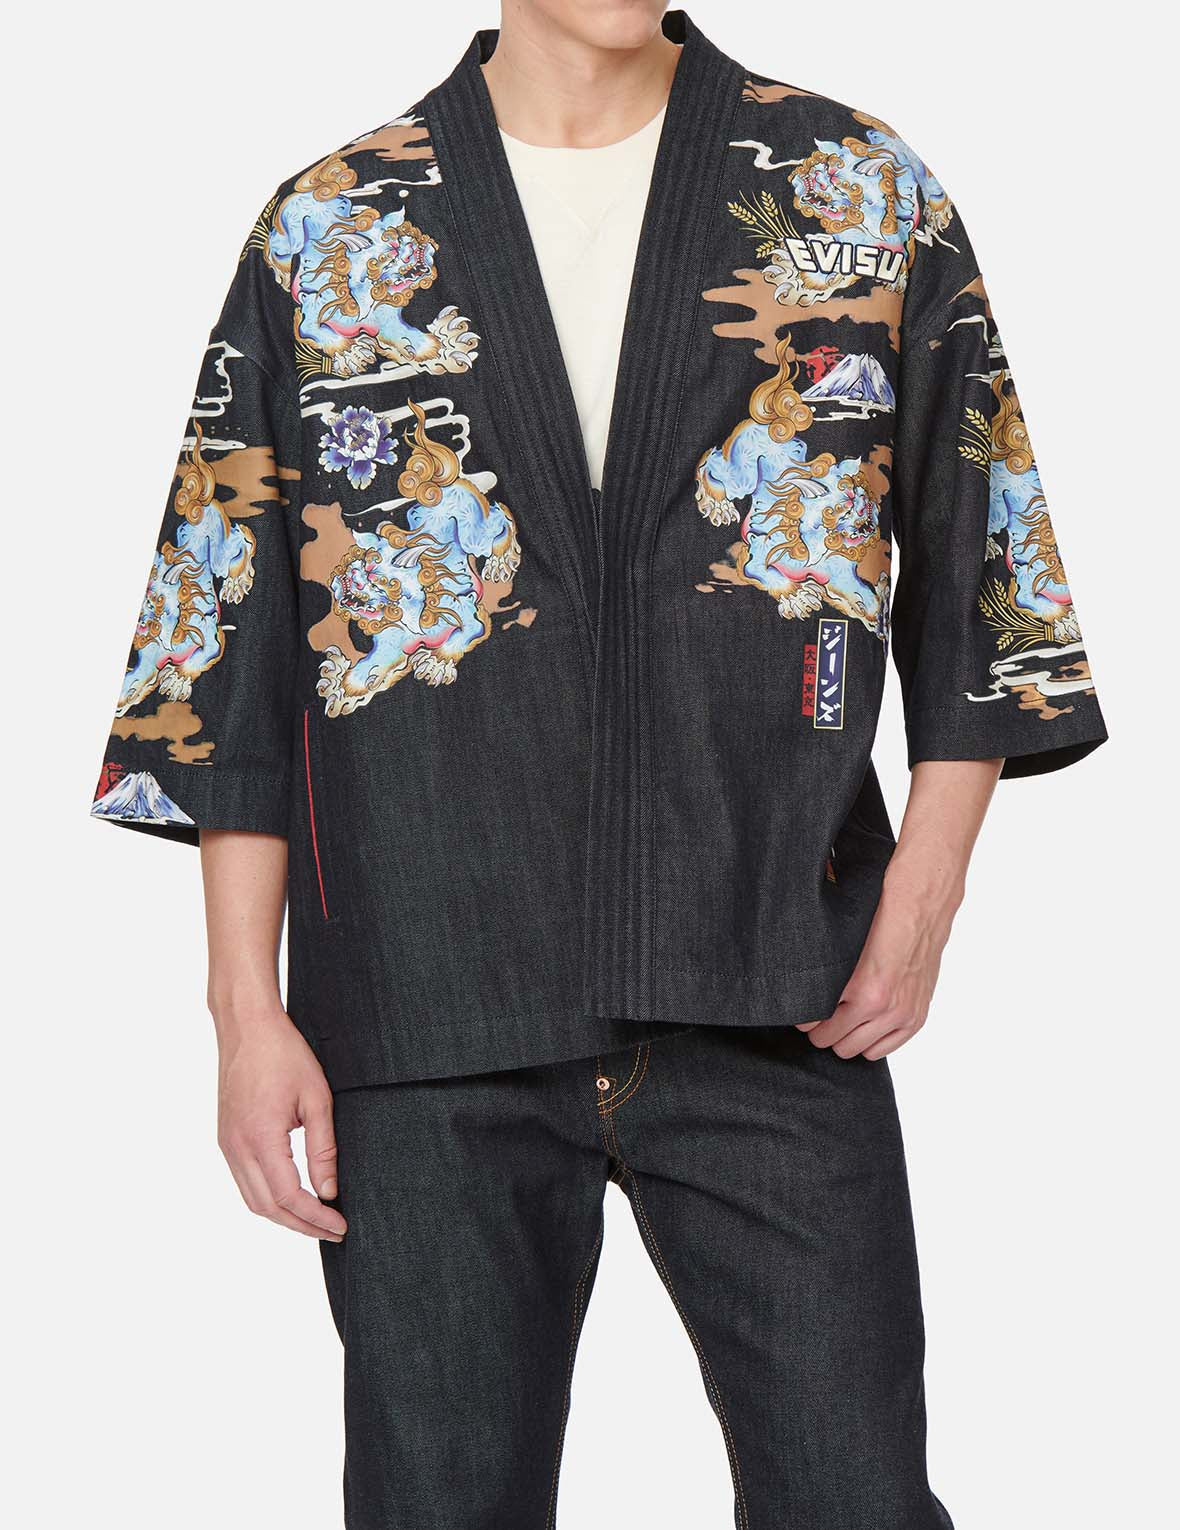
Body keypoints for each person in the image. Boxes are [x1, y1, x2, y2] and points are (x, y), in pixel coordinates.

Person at [90, 4, 1106, 1525]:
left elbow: (987, 568)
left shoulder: (851, 186)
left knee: (858, 1495)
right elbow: (230, 644)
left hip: (775, 980)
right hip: (430, 998)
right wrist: (245, 1009)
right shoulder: (331, 223)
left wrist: (925, 895)